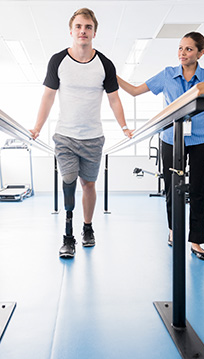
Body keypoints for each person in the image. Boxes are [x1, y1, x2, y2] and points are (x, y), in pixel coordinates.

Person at [30, 8, 133, 258]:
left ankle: (87, 227)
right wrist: (37, 128)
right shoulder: (58, 60)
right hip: (65, 135)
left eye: (87, 27)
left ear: (94, 32)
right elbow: (48, 97)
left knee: (88, 184)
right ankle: (68, 235)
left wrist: (124, 127)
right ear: (71, 31)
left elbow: (115, 100)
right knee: (68, 179)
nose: (83, 31)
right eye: (78, 27)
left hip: (93, 137)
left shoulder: (104, 64)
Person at [117, 31, 204, 261]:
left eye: (188, 49)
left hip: (201, 140)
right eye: (180, 48)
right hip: (170, 140)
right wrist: (111, 75)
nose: (182, 53)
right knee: (172, 189)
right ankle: (174, 230)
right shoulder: (167, 75)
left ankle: (196, 241)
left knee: (198, 190)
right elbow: (135, 91)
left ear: (201, 52)